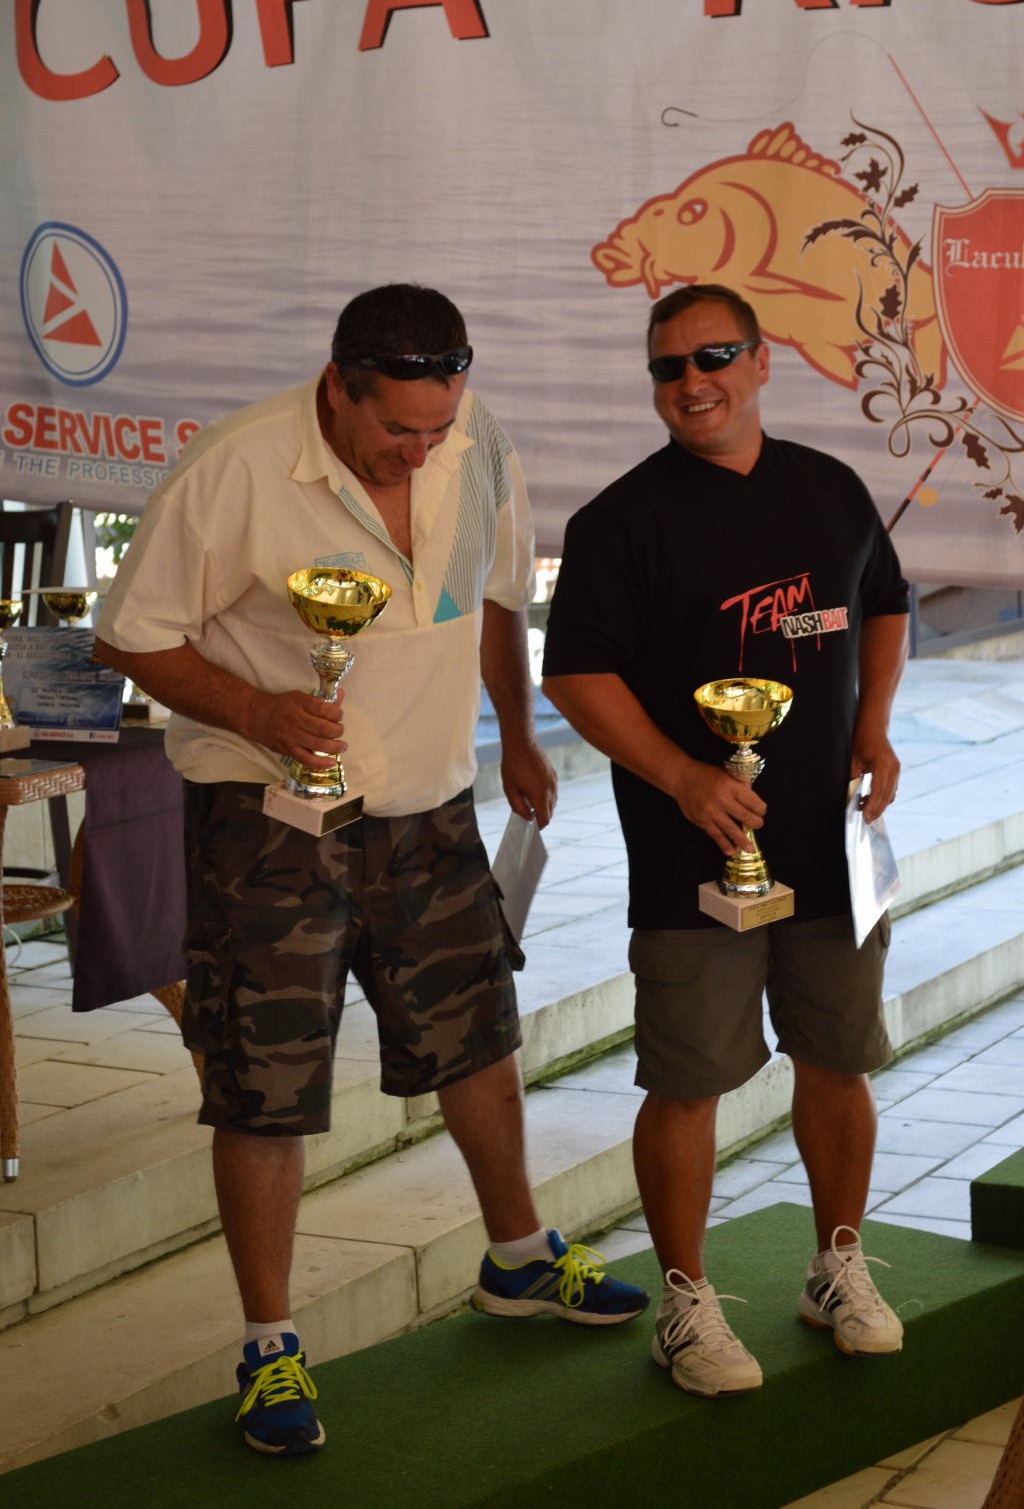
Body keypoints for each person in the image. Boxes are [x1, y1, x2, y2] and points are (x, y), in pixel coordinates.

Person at [95, 284, 648, 1458]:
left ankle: (517, 1257)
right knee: (263, 1081)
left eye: (438, 425)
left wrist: (517, 733)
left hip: (431, 807)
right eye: (398, 428)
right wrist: (259, 710)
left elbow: (495, 594)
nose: (421, 448)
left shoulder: (473, 438)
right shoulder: (236, 467)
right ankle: (269, 1342)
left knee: (480, 1035)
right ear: (339, 389)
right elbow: (128, 635)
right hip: (266, 818)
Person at [541, 283, 909, 1399]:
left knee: (837, 1060)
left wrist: (875, 726)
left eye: (713, 357)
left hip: (828, 847)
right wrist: (683, 777)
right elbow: (575, 674)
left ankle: (836, 1266)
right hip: (688, 859)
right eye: (668, 366)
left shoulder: (830, 488)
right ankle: (685, 1302)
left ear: (759, 362)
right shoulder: (620, 521)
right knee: (688, 1081)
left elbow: (883, 602)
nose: (691, 381)